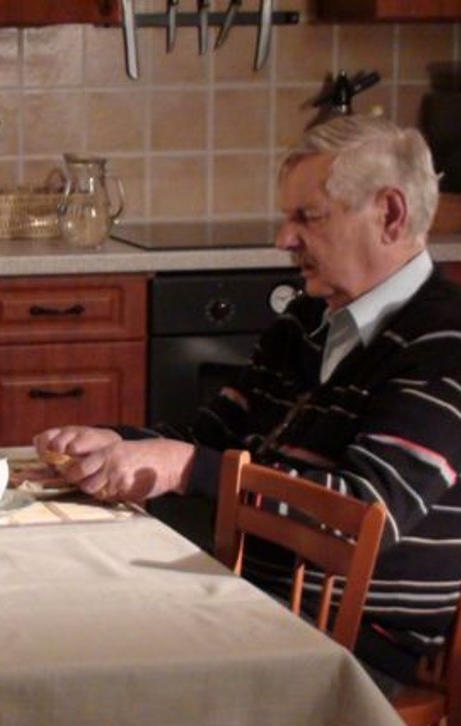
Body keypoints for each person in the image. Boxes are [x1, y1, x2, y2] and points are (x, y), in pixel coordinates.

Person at [35, 114, 461, 694]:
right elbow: (214, 437)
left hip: (352, 643)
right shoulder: (307, 321)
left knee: (80, 662)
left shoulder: (444, 345)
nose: (283, 239)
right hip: (246, 594)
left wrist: (184, 466)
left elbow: (364, 515)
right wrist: (117, 443)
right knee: (54, 614)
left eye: (307, 217)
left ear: (389, 215)